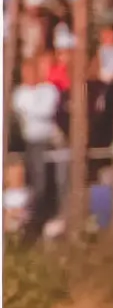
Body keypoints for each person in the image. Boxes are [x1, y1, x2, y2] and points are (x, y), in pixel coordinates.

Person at [11, 57, 64, 239]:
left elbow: (45, 111)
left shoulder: (49, 90)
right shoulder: (19, 92)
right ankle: (33, 220)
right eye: (24, 72)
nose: (28, 75)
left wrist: (30, 110)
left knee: (51, 180)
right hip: (30, 142)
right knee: (35, 181)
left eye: (30, 71)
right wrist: (33, 110)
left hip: (48, 141)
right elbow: (21, 110)